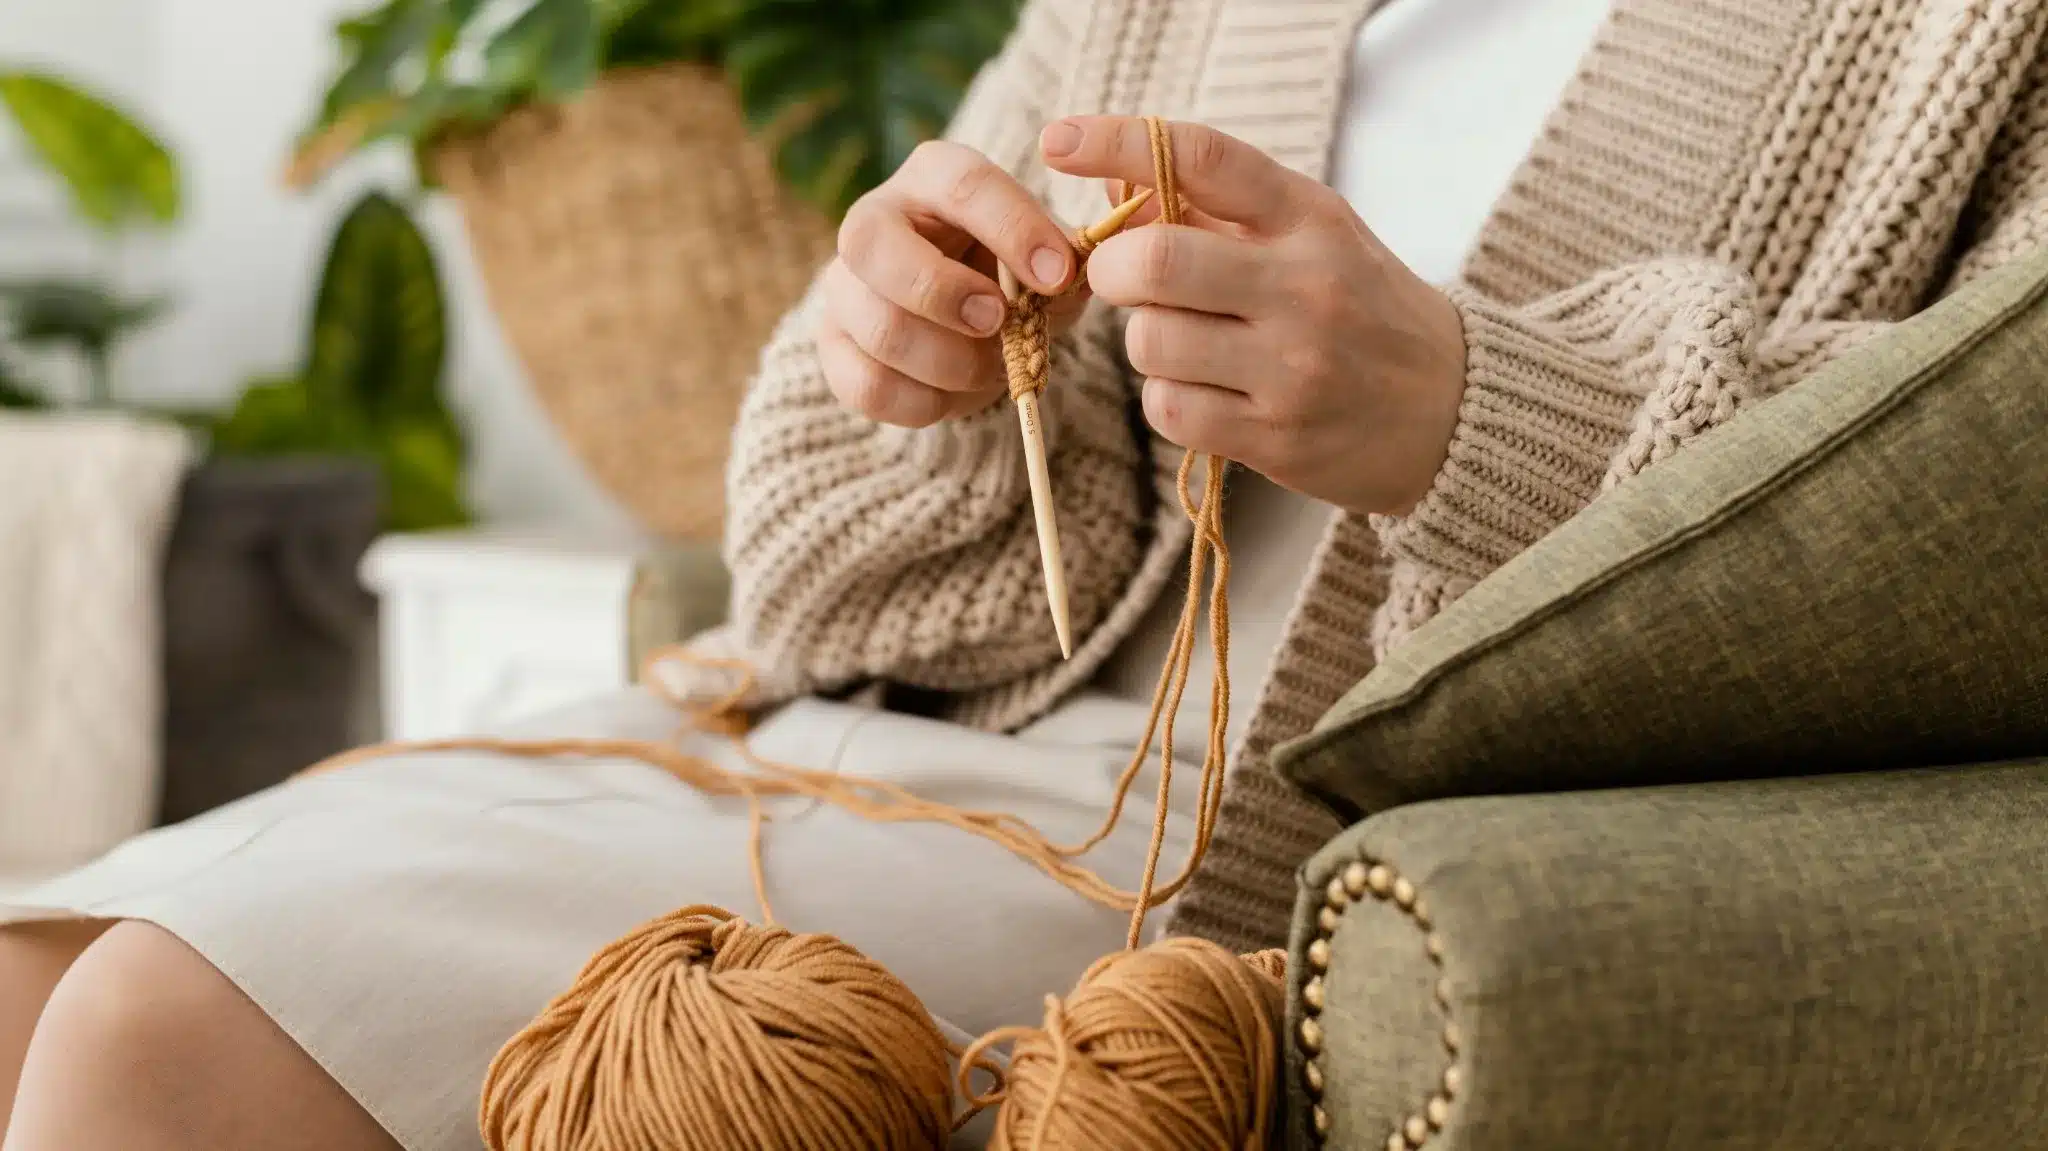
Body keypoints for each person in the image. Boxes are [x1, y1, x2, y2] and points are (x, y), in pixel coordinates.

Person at [5, 0, 2046, 1146]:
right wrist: (900, 364)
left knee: (152, 1040)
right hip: (883, 721)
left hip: (1244, 837)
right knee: (23, 986)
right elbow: (835, 579)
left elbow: (1988, 505)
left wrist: (1465, 410)